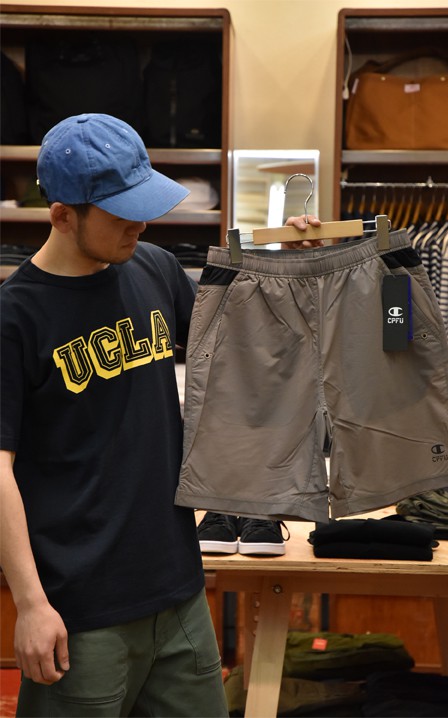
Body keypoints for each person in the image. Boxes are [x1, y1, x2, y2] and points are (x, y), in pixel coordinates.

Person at [0, 112, 321, 718]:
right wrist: (31, 602)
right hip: (81, 611)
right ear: (63, 216)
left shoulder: (152, 267)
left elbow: (247, 354)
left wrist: (290, 266)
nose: (141, 224)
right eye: (122, 213)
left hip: (179, 593)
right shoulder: (15, 317)